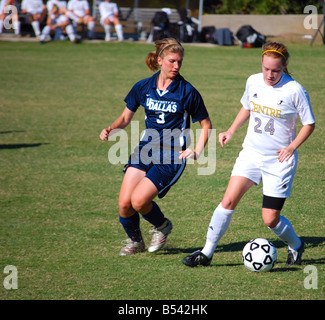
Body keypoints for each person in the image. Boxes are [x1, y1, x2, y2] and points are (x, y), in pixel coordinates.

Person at [182, 41, 315, 268]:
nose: (270, 75)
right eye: (266, 69)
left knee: (270, 219)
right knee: (228, 200)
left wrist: (292, 147)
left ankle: (296, 245)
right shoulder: (253, 81)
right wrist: (231, 131)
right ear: (261, 63)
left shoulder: (294, 90)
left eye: (276, 70)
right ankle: (206, 253)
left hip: (279, 161)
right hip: (251, 154)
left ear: (284, 67)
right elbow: (247, 106)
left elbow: (309, 124)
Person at [99, 38, 212, 256]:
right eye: (172, 61)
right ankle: (135, 242)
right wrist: (110, 129)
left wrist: (196, 150)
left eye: (179, 62)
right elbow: (125, 117)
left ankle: (162, 227)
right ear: (159, 61)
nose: (176, 66)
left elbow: (206, 125)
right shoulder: (143, 87)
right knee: (124, 203)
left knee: (139, 201)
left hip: (171, 155)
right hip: (146, 148)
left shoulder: (187, 91)